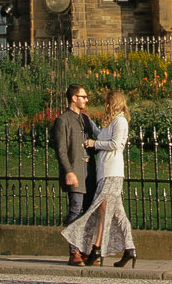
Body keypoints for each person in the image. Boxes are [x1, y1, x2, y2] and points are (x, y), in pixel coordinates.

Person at [63, 90, 136, 268]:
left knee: (98, 210)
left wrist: (94, 143)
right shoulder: (111, 121)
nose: (106, 105)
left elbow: (117, 144)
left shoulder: (120, 121)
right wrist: (88, 122)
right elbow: (100, 133)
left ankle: (96, 248)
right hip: (104, 171)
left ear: (115, 103)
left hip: (112, 172)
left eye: (108, 102)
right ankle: (129, 249)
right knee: (117, 214)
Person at [50, 85, 99, 267]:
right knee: (75, 210)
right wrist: (68, 171)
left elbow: (98, 138)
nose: (86, 100)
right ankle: (74, 250)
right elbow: (61, 150)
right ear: (73, 98)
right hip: (76, 170)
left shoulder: (85, 119)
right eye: (83, 96)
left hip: (89, 170)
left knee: (88, 212)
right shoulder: (63, 121)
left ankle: (85, 250)